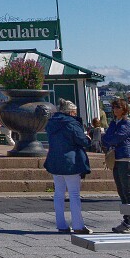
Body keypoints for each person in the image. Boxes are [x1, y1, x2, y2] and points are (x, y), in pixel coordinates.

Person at [44, 100, 92, 234]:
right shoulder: (72, 123)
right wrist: (88, 138)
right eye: (75, 112)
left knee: (58, 193)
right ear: (70, 112)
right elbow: (82, 141)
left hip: (54, 161)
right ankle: (78, 225)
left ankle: (61, 224)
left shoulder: (51, 123)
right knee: (74, 194)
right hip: (70, 162)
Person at [101, 98, 130, 234]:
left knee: (128, 192)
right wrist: (108, 138)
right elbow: (106, 137)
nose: (115, 110)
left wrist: (109, 139)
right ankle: (127, 220)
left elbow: (116, 138)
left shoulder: (127, 123)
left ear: (124, 109)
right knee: (121, 192)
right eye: (114, 108)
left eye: (118, 107)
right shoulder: (114, 122)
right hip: (116, 159)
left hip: (126, 158)